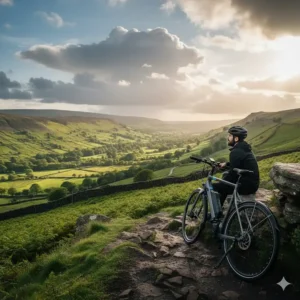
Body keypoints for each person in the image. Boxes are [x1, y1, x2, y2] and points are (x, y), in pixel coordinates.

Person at [212, 126, 260, 213]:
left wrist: (218, 185)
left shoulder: (235, 152)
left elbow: (232, 175)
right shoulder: (244, 148)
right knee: (225, 177)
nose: (228, 138)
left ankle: (216, 213)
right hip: (252, 183)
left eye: (230, 136)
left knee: (215, 186)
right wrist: (226, 164)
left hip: (246, 186)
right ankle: (219, 211)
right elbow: (239, 164)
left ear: (236, 138)